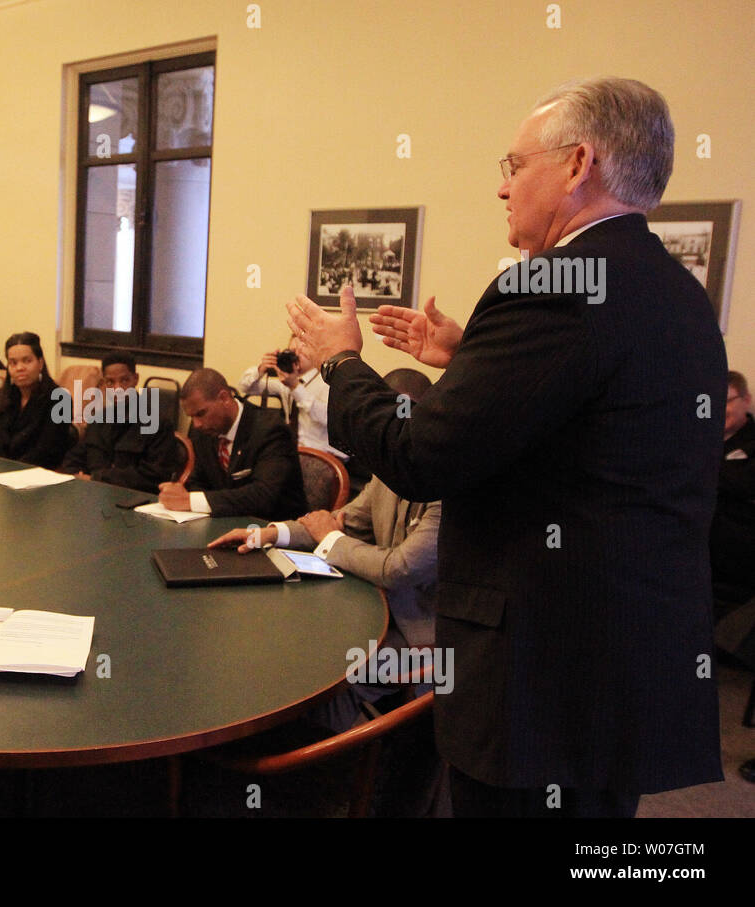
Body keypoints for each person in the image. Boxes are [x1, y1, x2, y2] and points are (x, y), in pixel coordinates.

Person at [286, 77, 725, 817]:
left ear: (579, 163)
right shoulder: (675, 291)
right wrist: (470, 365)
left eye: (514, 166)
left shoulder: (549, 286)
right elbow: (591, 428)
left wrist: (340, 363)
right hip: (626, 655)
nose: (502, 189)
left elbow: (421, 454)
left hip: (541, 673)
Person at [209, 368, 440, 730]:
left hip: (423, 639)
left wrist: (330, 539)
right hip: (373, 609)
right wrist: (269, 534)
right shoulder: (388, 471)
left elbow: (400, 568)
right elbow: (342, 519)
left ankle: (329, 761)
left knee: (328, 676)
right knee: (291, 646)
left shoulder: (449, 485)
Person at [159, 368, 307, 521]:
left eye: (201, 414)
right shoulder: (203, 431)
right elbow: (197, 482)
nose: (196, 424)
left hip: (272, 528)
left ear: (224, 398)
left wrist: (191, 501)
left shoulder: (270, 430)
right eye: (191, 417)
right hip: (221, 524)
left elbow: (264, 495)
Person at [61, 352, 184, 493]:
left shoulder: (157, 424)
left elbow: (156, 475)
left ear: (135, 379)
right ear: (103, 384)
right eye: (110, 382)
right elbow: (73, 460)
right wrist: (77, 477)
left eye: (124, 381)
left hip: (135, 501)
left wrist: (97, 479)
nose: (117, 389)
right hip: (92, 497)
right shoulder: (97, 420)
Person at [236, 338, 344, 458]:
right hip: (293, 452)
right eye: (293, 352)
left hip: (324, 456)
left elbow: (328, 418)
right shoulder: (286, 383)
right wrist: (261, 369)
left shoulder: (328, 381)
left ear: (315, 353)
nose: (297, 355)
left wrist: (295, 387)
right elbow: (245, 387)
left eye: (302, 351)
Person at [0, 332, 74, 468]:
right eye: (13, 363)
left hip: (38, 476)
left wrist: (10, 470)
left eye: (27, 361)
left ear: (40, 363)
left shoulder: (60, 399)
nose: (20, 368)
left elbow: (49, 452)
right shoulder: (3, 396)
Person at [712, 370, 755, 602]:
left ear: (746, 400)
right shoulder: (700, 440)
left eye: (726, 401)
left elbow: (744, 484)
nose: (719, 409)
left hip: (737, 572)